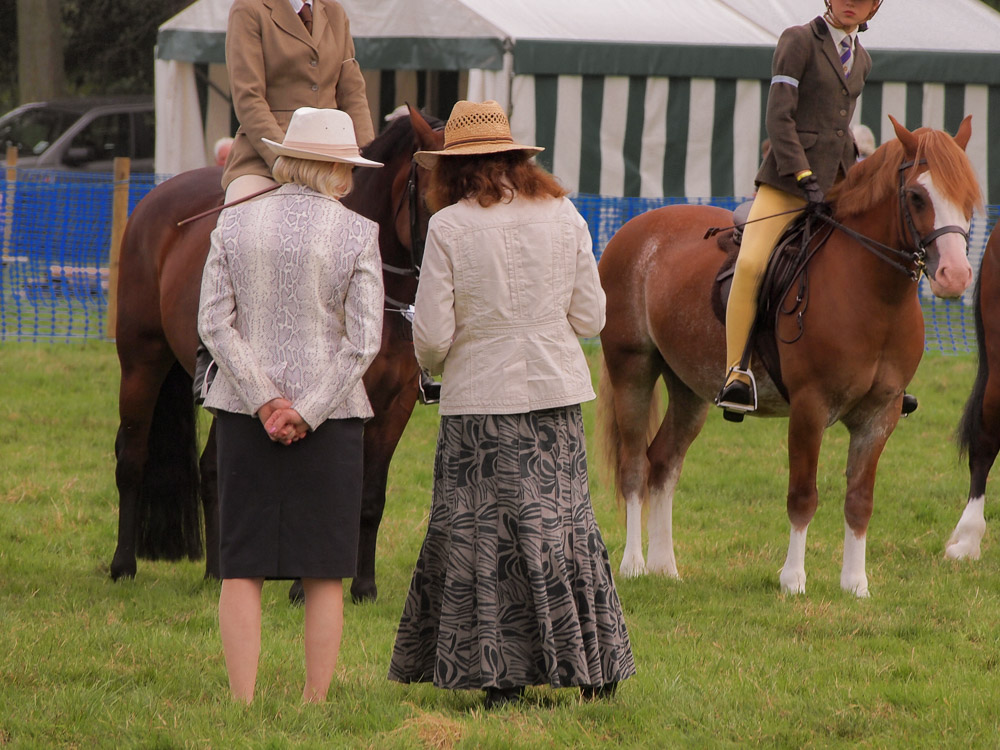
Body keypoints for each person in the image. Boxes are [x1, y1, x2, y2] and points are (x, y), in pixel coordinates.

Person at [387, 100, 636, 709]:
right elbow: (592, 316)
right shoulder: (563, 212)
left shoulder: (448, 227)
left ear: (454, 169)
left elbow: (435, 337)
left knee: (483, 538)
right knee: (563, 530)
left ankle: (499, 678)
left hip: (478, 402)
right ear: (516, 157)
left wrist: (433, 366)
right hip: (556, 395)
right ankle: (590, 669)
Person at [197, 106, 384, 704]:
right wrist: (306, 409)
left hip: (241, 413)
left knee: (240, 565)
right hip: (332, 421)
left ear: (286, 157)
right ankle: (313, 703)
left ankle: (242, 702)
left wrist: (264, 401)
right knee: (327, 568)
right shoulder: (359, 233)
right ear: (338, 169)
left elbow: (212, 324)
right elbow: (365, 342)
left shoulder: (233, 224)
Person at [717, 0, 884, 421]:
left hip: (839, 183)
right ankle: (736, 371)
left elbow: (838, 124)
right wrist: (803, 175)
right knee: (753, 263)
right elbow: (779, 117)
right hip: (788, 180)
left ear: (874, 7)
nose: (851, 3)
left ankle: (879, 372)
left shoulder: (861, 60)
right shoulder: (797, 41)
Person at [222, 0, 375, 202]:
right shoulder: (249, 9)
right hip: (265, 159)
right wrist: (282, 158)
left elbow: (353, 92)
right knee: (242, 222)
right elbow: (248, 97)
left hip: (333, 161)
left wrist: (368, 151)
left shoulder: (335, 11)